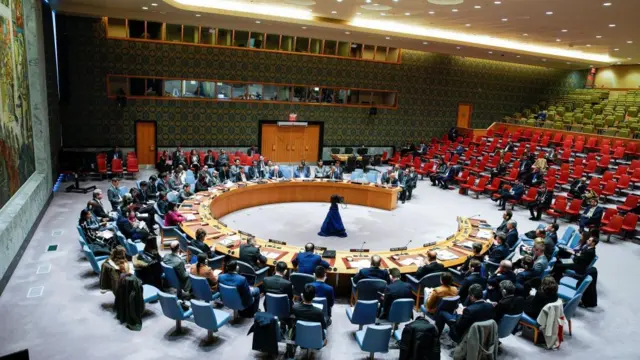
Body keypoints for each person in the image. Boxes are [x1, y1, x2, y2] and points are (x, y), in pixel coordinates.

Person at [286, 284, 327, 357]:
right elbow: (324, 326)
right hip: (315, 339)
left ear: (302, 295)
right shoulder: (319, 312)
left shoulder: (295, 308)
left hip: (299, 337)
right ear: (314, 296)